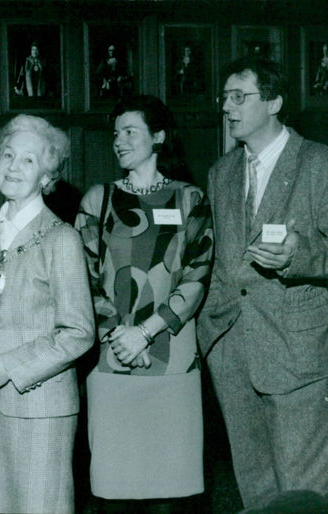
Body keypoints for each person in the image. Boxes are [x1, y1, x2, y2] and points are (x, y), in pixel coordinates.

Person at [197, 56, 328, 509]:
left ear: (275, 101)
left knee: (306, 496)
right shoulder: (221, 172)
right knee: (255, 489)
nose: (228, 106)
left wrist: (298, 255)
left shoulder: (323, 165)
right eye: (225, 97)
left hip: (297, 352)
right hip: (231, 350)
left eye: (239, 96)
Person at [0, 114, 95, 513]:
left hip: (40, 405)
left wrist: (4, 366)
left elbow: (78, 331)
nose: (13, 166)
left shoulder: (61, 239)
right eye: (8, 155)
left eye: (28, 161)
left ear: (47, 175)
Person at [75, 95, 213, 513]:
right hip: (113, 360)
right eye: (116, 133)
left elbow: (198, 275)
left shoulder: (190, 199)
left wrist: (145, 332)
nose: (119, 140)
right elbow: (83, 276)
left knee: (171, 495)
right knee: (116, 492)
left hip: (172, 361)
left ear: (158, 136)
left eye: (130, 131)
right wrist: (117, 334)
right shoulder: (96, 201)